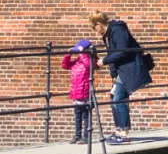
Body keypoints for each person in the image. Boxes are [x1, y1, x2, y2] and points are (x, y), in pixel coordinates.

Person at [92, 9, 148, 141]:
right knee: (114, 97)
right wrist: (113, 73)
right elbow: (114, 53)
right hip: (122, 70)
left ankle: (124, 133)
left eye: (94, 28)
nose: (95, 32)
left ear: (99, 24)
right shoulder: (109, 34)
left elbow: (122, 52)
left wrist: (104, 61)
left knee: (119, 98)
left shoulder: (117, 30)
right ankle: (119, 130)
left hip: (129, 68)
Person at [61, 38, 96, 143]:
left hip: (85, 92)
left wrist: (82, 54)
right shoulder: (77, 62)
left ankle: (86, 137)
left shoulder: (90, 61)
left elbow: (90, 66)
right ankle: (77, 135)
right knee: (77, 115)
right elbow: (65, 65)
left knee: (86, 116)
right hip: (76, 92)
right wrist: (68, 55)